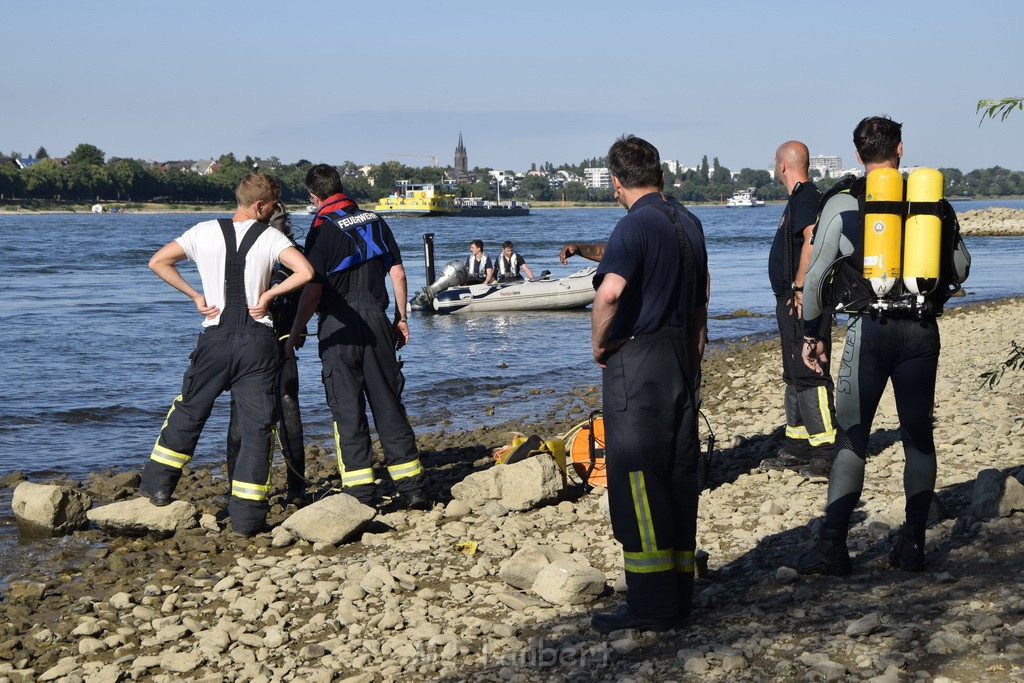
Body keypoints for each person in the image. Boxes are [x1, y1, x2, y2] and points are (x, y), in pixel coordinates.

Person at [797, 116, 969, 575]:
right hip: (919, 333)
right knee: (917, 437)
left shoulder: (843, 202)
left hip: (867, 333)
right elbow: (961, 267)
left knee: (853, 439)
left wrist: (812, 335)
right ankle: (912, 546)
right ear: (900, 150)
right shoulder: (932, 202)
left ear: (857, 154)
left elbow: (815, 279)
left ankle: (833, 547)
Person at [139, 173, 314, 537]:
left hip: (215, 339)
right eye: (269, 208)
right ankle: (248, 518)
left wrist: (195, 296)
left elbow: (158, 262)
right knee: (256, 428)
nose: (269, 215)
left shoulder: (202, 231)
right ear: (259, 206)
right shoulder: (271, 236)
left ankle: (157, 487)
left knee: (190, 410)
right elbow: (306, 272)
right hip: (258, 343)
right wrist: (268, 296)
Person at [589, 135, 709, 634]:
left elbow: (610, 293)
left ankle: (650, 605)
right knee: (679, 474)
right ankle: (679, 595)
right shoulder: (690, 222)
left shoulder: (632, 225)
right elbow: (703, 295)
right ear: (658, 173)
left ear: (616, 181)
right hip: (682, 357)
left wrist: (599, 345)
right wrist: (696, 352)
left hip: (638, 363)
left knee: (638, 479)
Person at [287, 164, 429, 510]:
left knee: (347, 410)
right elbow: (397, 272)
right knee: (389, 405)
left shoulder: (321, 229)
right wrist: (401, 318)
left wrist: (295, 330)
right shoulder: (376, 220)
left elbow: (313, 290)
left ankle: (360, 494)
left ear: (313, 196)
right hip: (378, 321)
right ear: (341, 186)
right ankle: (413, 489)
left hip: (338, 325)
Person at [226, 202, 309, 508]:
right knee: (283, 409)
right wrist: (299, 329)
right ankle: (295, 488)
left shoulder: (247, 250)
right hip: (279, 336)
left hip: (255, 339)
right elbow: (307, 294)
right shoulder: (291, 251)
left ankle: (241, 486)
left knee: (246, 411)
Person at [761, 141, 836, 477]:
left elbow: (812, 237)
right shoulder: (798, 199)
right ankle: (798, 447)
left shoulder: (806, 198)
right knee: (794, 376)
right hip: (790, 301)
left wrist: (801, 286)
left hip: (801, 300)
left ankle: (826, 451)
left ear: (782, 166)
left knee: (810, 372)